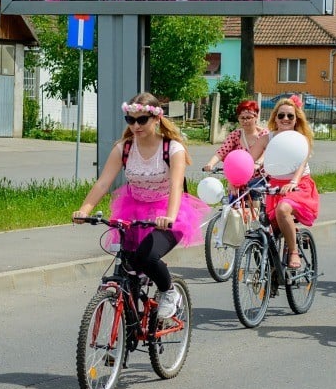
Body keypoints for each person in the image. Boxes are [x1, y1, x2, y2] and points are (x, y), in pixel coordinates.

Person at [72, 92, 209, 320]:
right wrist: (85, 210)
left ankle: (168, 291)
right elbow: (103, 182)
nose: (136, 125)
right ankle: (130, 327)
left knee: (147, 257)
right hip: (133, 210)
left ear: (156, 119)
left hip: (168, 211)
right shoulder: (124, 148)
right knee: (128, 265)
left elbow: (176, 186)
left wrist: (169, 216)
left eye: (142, 120)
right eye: (131, 120)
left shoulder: (172, 148)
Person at [246, 95, 320, 270]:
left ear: (296, 120)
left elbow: (301, 165)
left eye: (290, 116)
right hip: (275, 187)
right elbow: (249, 160)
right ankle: (271, 269)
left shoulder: (301, 139)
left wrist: (293, 182)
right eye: (281, 116)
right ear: (275, 118)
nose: (285, 119)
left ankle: (293, 251)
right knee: (265, 227)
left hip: (298, 185)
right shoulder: (267, 138)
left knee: (283, 209)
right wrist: (239, 179)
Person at [202, 99, 269, 172]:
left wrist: (258, 163)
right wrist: (210, 164)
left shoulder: (264, 134)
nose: (245, 121)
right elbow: (222, 151)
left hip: (259, 177)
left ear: (256, 117)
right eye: (242, 118)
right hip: (239, 175)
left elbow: (268, 152)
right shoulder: (236, 135)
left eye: (249, 118)